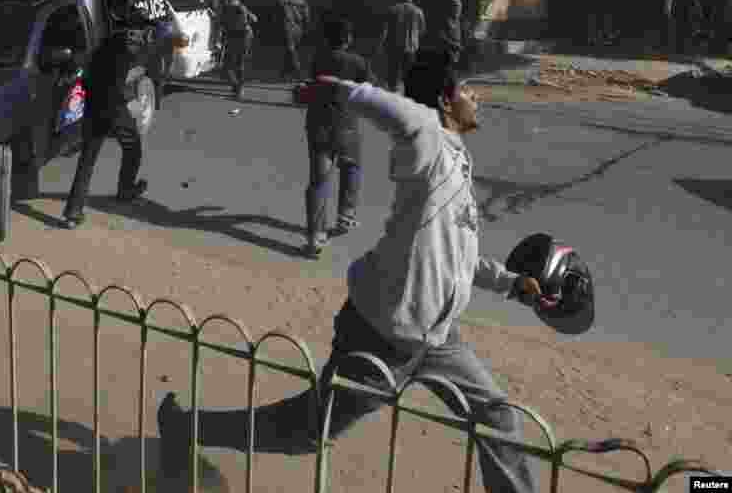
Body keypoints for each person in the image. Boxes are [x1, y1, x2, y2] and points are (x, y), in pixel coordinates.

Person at [157, 52, 562, 493]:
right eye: (467, 91)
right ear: (445, 103)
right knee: (305, 432)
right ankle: (186, 427)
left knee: (496, 416)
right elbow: (398, 112)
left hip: (439, 340)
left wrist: (509, 283)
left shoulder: (456, 162)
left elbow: (457, 255)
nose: (476, 98)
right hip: (380, 335)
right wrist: (342, 90)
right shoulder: (428, 137)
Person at [60, 25, 149, 229]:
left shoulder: (100, 48)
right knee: (133, 146)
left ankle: (72, 213)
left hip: (93, 107)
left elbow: (85, 77)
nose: (137, 48)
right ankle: (125, 190)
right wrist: (133, 100)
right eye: (137, 44)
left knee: (87, 160)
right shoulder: (125, 54)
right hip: (113, 109)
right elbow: (121, 85)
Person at [301, 18, 375, 258]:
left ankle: (315, 238)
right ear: (348, 38)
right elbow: (369, 90)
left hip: (319, 126)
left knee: (319, 180)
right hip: (347, 126)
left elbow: (313, 84)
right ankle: (346, 216)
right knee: (351, 167)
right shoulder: (358, 62)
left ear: (326, 38)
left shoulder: (318, 59)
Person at [378, 0, 425, 91]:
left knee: (393, 74)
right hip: (411, 48)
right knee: (408, 74)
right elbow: (421, 30)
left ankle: (393, 93)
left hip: (394, 47)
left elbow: (385, 30)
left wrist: (380, 45)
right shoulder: (418, 11)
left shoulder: (392, 10)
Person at [219, 0, 258, 100]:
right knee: (239, 63)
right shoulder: (240, 6)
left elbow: (220, 22)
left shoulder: (225, 6)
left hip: (235, 36)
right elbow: (255, 19)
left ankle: (237, 87)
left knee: (228, 65)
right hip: (245, 35)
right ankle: (239, 88)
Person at [278, 0, 311, 82]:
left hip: (288, 26)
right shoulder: (302, 0)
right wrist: (306, 29)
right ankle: (285, 73)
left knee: (291, 50)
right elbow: (307, 17)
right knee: (292, 50)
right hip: (299, 27)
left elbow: (280, 10)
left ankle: (298, 73)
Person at [424, 0, 463, 67]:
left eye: (459, 7)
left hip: (455, 52)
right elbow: (441, 36)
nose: (458, 10)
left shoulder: (458, 21)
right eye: (456, 7)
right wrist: (453, 44)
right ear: (451, 8)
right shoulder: (445, 20)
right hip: (446, 52)